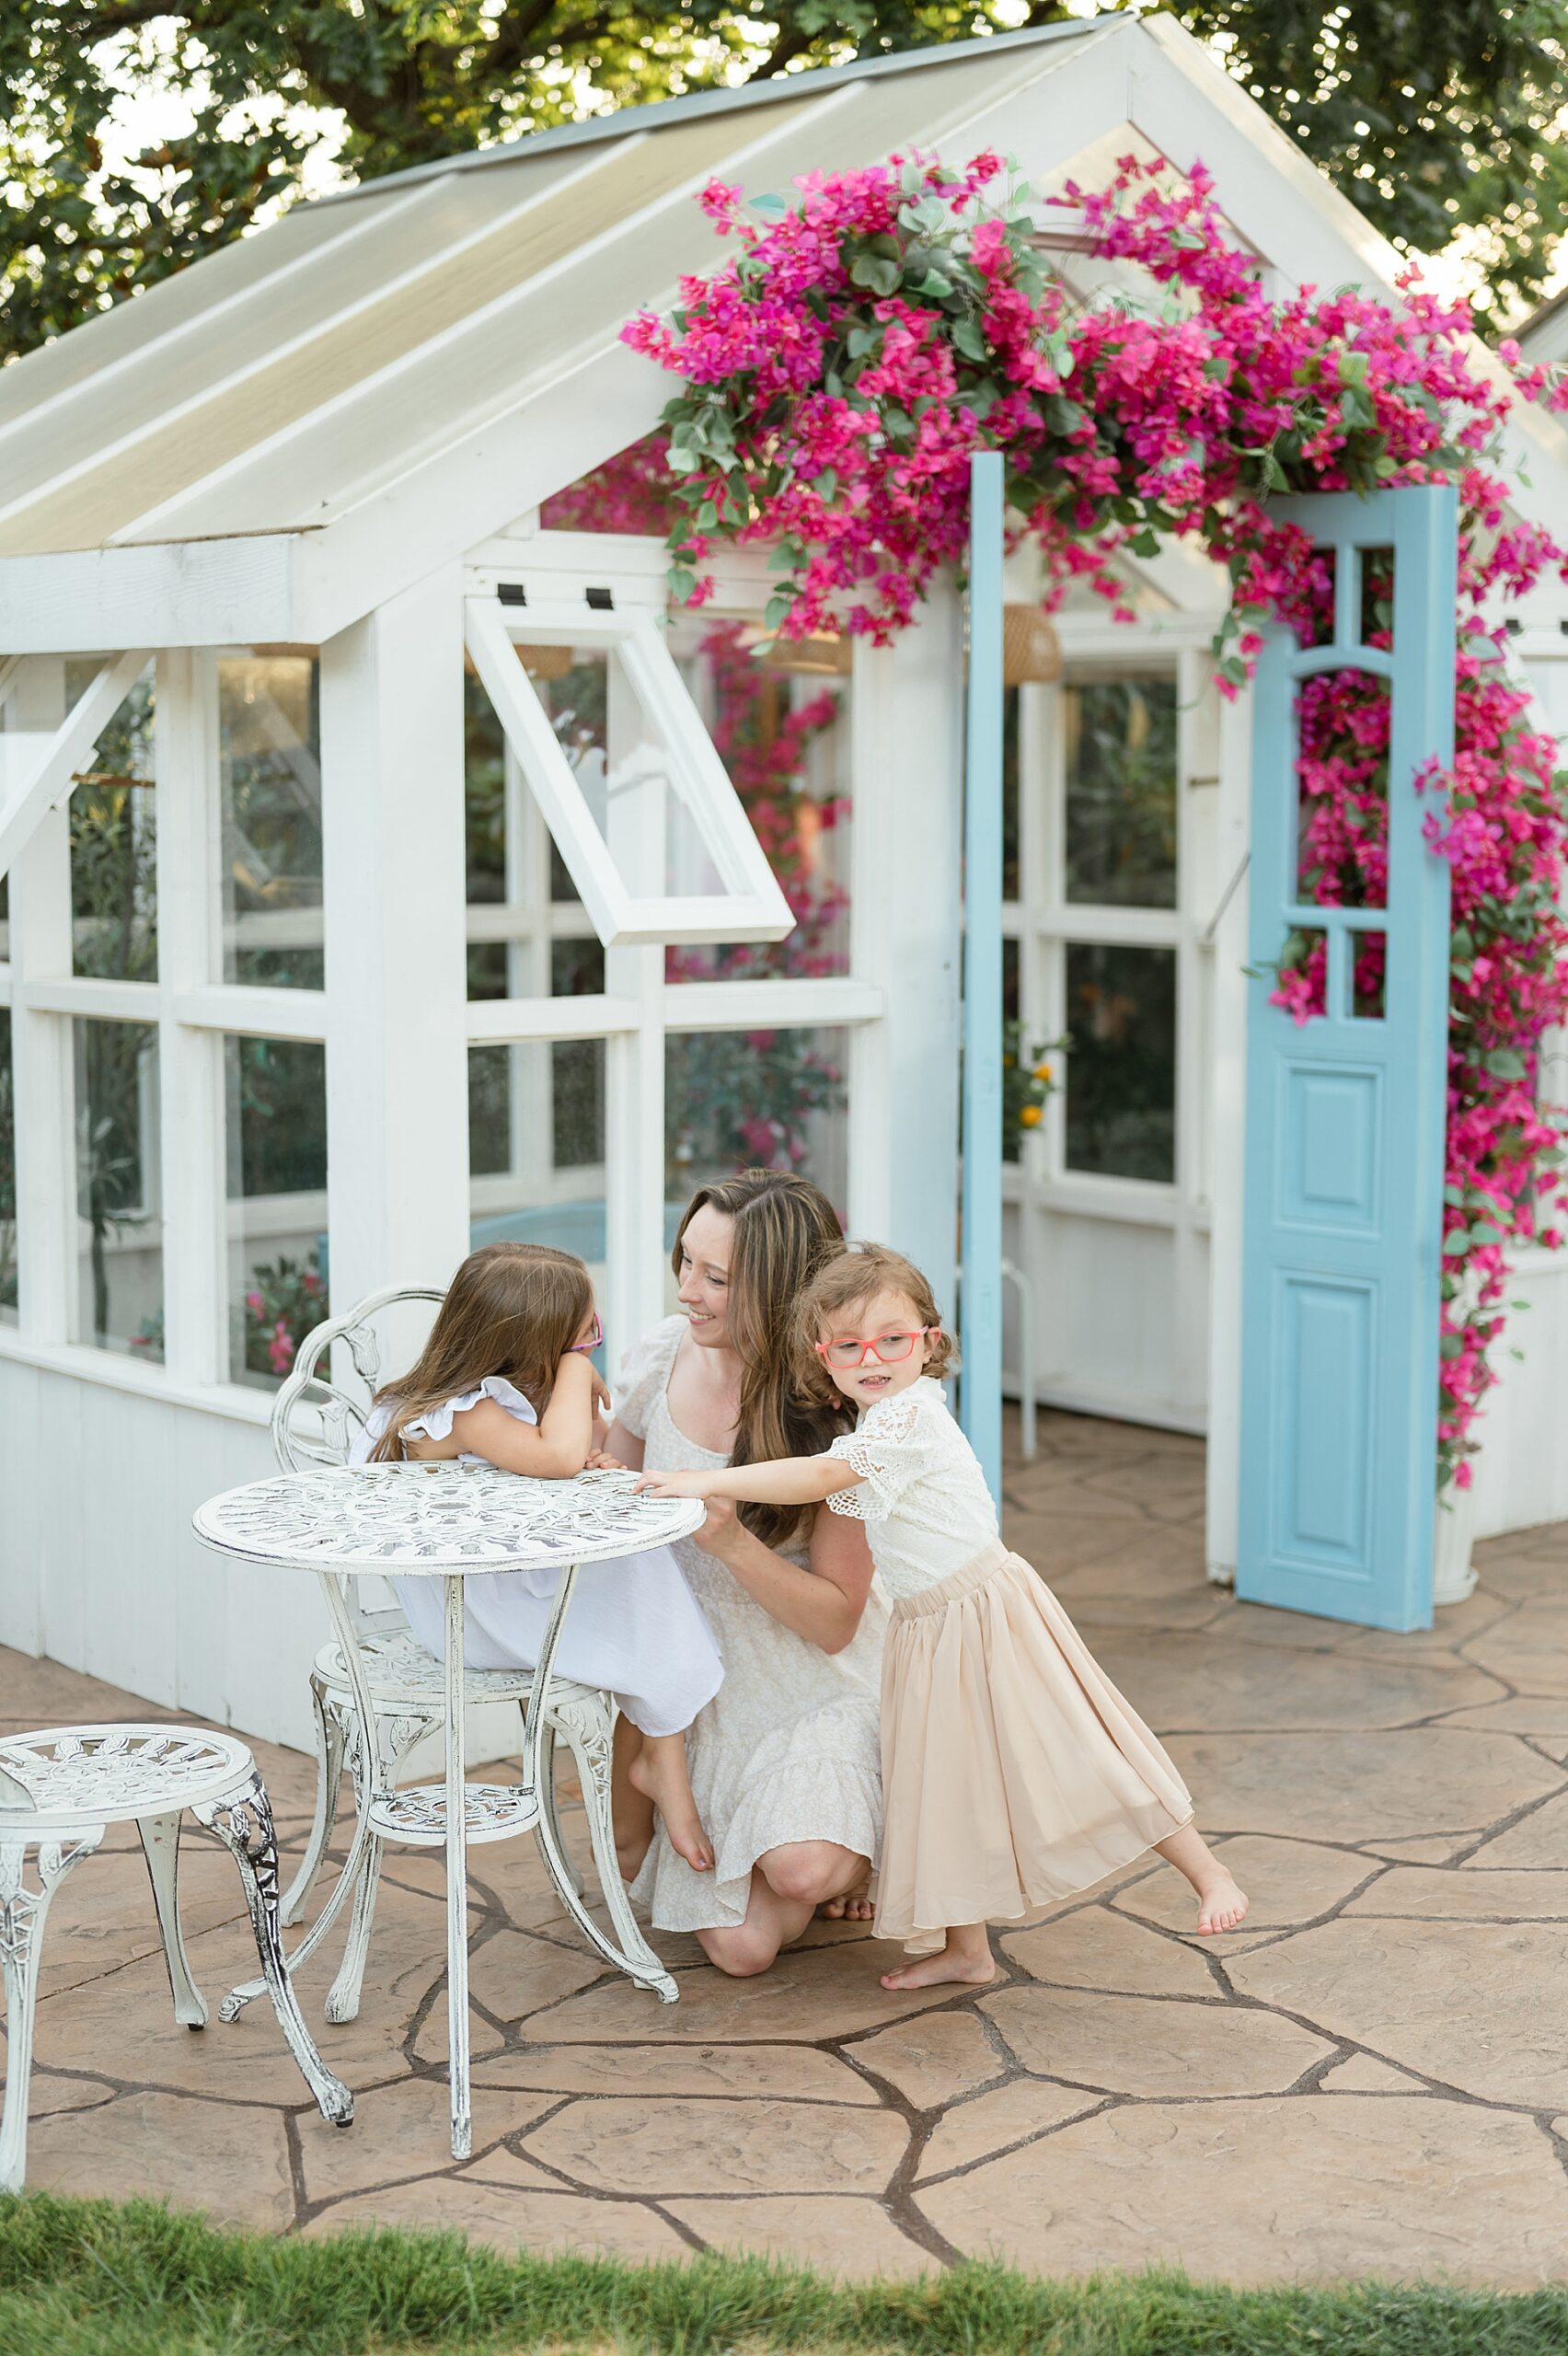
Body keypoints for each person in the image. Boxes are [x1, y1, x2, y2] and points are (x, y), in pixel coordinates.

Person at [640, 1240, 1250, 1990]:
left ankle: (1210, 1873)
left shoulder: (909, 1418)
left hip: (986, 1613)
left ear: (929, 1343)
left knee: (1086, 1748)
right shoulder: (873, 1427)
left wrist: (703, 1478)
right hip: (926, 1630)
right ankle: (968, 1949)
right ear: (821, 1356)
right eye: (851, 1345)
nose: (874, 1358)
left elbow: (826, 1475)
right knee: (946, 1783)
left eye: (893, 1340)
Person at [351, 1241, 721, 1868]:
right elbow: (554, 1460)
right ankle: (663, 1744)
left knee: (637, 1559)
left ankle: (661, 1741)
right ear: (531, 1340)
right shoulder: (463, 1412)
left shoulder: (495, 1397)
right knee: (643, 1562)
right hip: (468, 1616)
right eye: (584, 1337)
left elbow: (572, 1454)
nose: (591, 1348)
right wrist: (577, 1373)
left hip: (497, 1581)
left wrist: (586, 1439)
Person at [600, 1172, 887, 1977]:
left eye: (716, 1278)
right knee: (742, 1949)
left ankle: (852, 1852)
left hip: (811, 1673)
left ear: (780, 1291)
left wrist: (731, 1544)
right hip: (701, 1668)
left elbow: (837, 1620)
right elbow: (611, 1488)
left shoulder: (838, 1411)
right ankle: (817, 1841)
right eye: (684, 1262)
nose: (688, 1291)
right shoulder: (663, 1355)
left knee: (800, 1870)